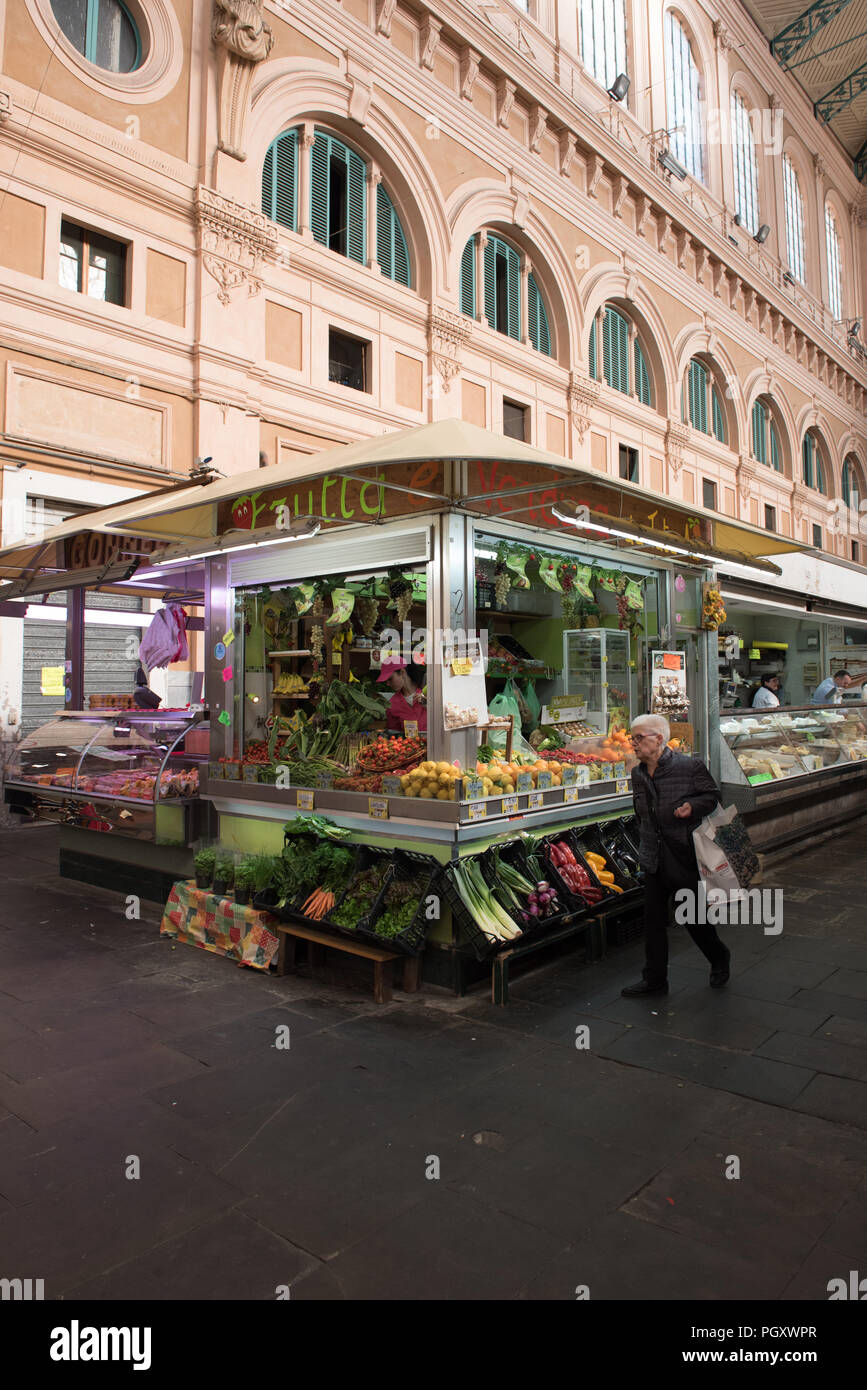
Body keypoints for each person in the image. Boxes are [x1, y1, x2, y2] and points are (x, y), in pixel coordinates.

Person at [621, 713, 730, 998]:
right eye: (632, 737)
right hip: (653, 855)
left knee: (693, 919)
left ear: (658, 738)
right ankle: (655, 980)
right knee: (654, 921)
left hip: (682, 854)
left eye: (638, 737)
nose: (633, 743)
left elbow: (712, 797)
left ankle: (719, 958)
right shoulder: (638, 773)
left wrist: (691, 807)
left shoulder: (689, 766)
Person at [376, 659, 427, 734]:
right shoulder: (392, 704)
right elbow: (394, 735)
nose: (387, 684)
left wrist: (427, 705)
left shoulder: (429, 693)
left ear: (402, 672)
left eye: (390, 679)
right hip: (409, 745)